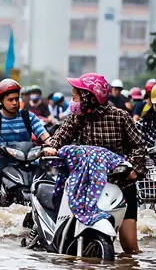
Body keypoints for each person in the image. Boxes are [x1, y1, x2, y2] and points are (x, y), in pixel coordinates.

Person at [43, 73, 146, 253]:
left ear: (89, 97)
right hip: (86, 182)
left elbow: (139, 146)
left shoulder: (120, 116)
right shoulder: (77, 118)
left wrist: (134, 169)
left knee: (130, 247)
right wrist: (51, 147)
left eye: (75, 96)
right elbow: (59, 138)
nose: (71, 101)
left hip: (121, 183)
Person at [0, 79, 51, 204]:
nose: (15, 103)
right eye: (10, 100)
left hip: (29, 160)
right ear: (0, 101)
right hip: (6, 160)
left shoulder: (28, 116)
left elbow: (44, 135)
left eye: (16, 99)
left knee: (49, 182)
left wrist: (51, 145)